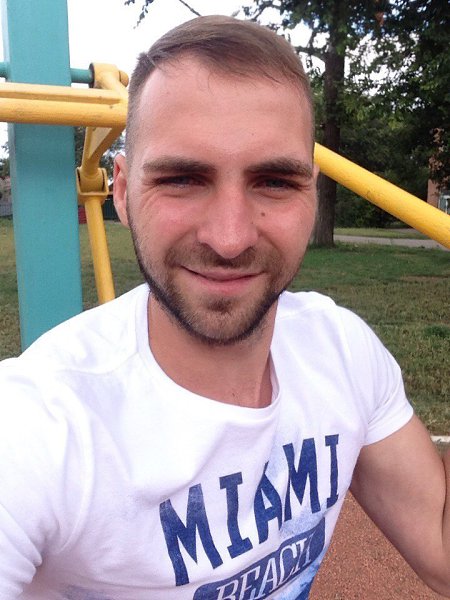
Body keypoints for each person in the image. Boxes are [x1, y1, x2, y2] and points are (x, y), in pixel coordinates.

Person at [0, 15, 448, 600]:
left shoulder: (342, 350)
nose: (231, 238)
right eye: (183, 179)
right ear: (123, 192)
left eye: (275, 182)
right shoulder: (38, 425)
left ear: (312, 194)